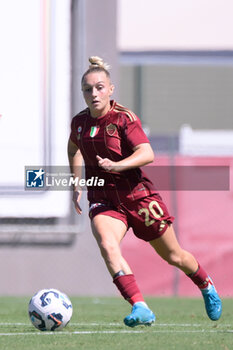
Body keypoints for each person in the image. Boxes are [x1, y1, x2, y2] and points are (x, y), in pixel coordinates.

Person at [68, 56, 222, 327]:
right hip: (104, 199)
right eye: (88, 89)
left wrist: (117, 165)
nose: (94, 93)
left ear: (111, 89)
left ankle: (205, 283)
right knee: (107, 244)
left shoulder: (124, 119)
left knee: (174, 256)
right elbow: (73, 149)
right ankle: (140, 306)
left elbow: (146, 153)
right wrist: (76, 181)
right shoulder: (79, 123)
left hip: (138, 197)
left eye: (99, 87)